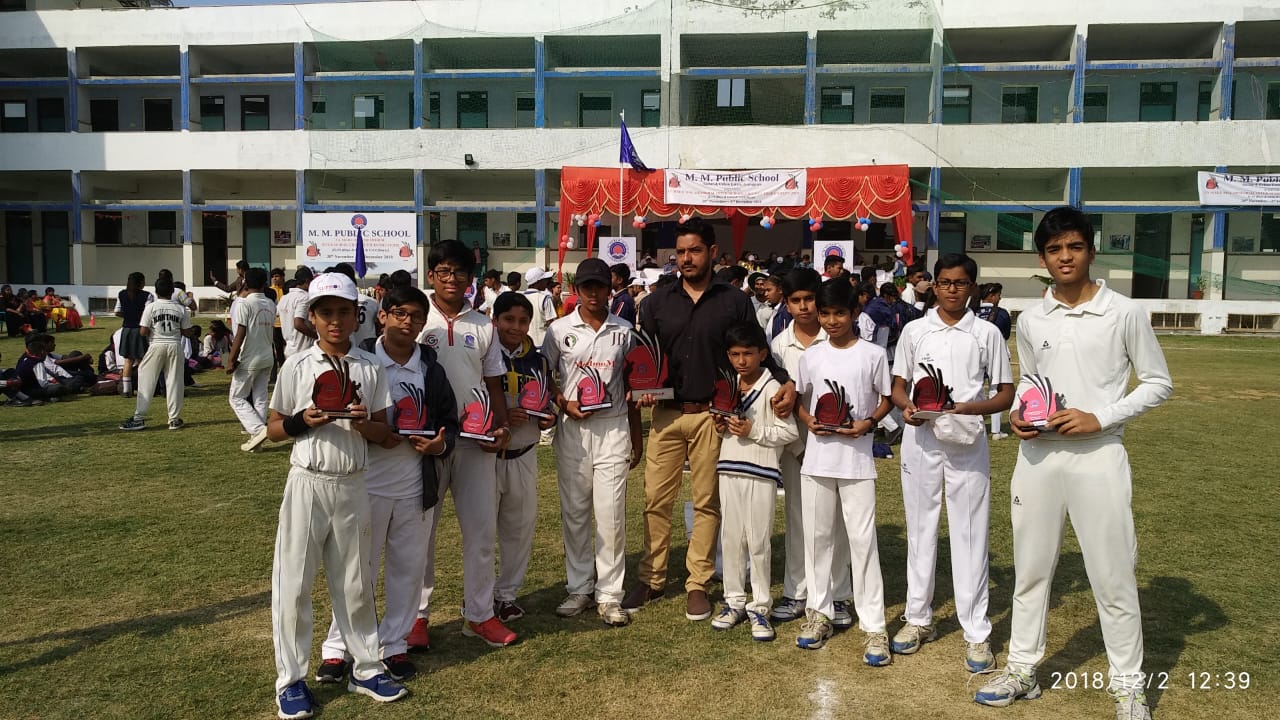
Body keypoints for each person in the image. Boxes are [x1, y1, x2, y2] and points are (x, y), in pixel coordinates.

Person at [974, 208, 1173, 719]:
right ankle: (1022, 667)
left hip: (1098, 457)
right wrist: (1019, 411)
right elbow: (1029, 382)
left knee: (1112, 577)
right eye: (1055, 249)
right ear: (1042, 257)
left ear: (1090, 250)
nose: (1065, 257)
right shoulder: (1033, 317)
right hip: (1037, 458)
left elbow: (1158, 383)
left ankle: (1128, 687)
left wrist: (1099, 417)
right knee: (1031, 571)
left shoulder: (1124, 312)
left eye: (1074, 247)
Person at [624, 217, 796, 622]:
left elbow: (756, 349)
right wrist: (640, 387)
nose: (686, 258)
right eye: (680, 252)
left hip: (712, 417)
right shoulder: (656, 301)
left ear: (712, 253)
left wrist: (786, 382)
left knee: (707, 502)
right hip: (666, 415)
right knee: (655, 500)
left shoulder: (733, 300)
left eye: (694, 251)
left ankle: (697, 583)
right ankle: (652, 577)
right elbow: (643, 358)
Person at [263, 271, 407, 719]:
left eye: (344, 312)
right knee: (294, 583)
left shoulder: (370, 366)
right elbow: (271, 428)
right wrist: (303, 421)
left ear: (356, 315)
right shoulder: (297, 365)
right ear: (313, 316)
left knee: (355, 582)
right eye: (326, 313)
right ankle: (290, 680)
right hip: (308, 479)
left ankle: (365, 666)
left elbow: (386, 433)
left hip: (353, 482)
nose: (335, 321)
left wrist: (364, 424)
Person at [317, 284, 456, 687]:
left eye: (416, 316)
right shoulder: (358, 360)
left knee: (408, 568)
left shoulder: (430, 366)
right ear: (382, 315)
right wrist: (372, 430)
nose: (407, 322)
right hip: (364, 480)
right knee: (355, 568)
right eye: (399, 313)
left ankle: (393, 644)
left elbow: (450, 419)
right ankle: (338, 648)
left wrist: (440, 442)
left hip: (415, 480)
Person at [889, 253, 1014, 674]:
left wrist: (967, 408)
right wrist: (906, 408)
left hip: (966, 442)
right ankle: (918, 619)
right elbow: (899, 385)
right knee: (921, 529)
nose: (951, 289)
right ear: (933, 285)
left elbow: (1005, 393)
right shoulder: (914, 329)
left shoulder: (986, 333)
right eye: (944, 282)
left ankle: (977, 633)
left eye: (960, 283)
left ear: (972, 287)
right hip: (921, 440)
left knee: (969, 534)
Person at [409, 239, 514, 651]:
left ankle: (480, 614)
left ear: (471, 278)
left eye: (460, 272)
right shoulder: (419, 319)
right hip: (427, 441)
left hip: (475, 441)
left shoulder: (483, 324)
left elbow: (493, 381)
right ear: (432, 275)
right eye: (444, 271)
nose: (452, 279)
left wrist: (502, 425)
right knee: (420, 533)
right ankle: (416, 616)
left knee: (481, 531)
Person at [792, 279, 893, 665]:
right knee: (817, 540)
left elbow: (885, 400)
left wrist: (868, 423)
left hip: (857, 462)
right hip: (817, 460)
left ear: (854, 313)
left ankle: (875, 628)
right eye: (825, 313)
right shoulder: (812, 356)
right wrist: (808, 421)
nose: (832, 321)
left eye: (839, 313)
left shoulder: (872, 354)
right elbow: (801, 400)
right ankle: (819, 614)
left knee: (863, 543)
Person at [544, 258, 643, 627]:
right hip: (573, 430)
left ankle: (610, 595)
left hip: (612, 428)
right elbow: (545, 376)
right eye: (586, 286)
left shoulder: (626, 331)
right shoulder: (557, 331)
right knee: (575, 512)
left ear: (609, 288)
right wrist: (562, 402)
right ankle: (580, 588)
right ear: (577, 289)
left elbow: (634, 385)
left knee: (612, 516)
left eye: (599, 286)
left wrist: (636, 436)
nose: (593, 293)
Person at [769, 268, 855, 629]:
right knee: (798, 518)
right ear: (786, 304)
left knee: (836, 522)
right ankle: (796, 590)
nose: (803, 307)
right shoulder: (778, 345)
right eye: (795, 301)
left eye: (809, 299)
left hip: (837, 445)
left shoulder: (838, 336)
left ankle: (838, 595)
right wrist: (796, 446)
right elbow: (779, 399)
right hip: (796, 447)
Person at [711, 322, 798, 641]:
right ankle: (733, 600)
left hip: (761, 472)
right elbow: (724, 429)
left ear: (762, 353)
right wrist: (721, 424)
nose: (741, 361)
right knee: (731, 538)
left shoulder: (774, 386)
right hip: (729, 468)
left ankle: (760, 606)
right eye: (734, 354)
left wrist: (754, 431)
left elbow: (789, 433)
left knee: (758, 541)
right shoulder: (727, 384)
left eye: (748, 353)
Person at [488, 291, 558, 622]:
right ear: (495, 319)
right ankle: (481, 596)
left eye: (522, 321)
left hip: (524, 453)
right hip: (485, 458)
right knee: (483, 531)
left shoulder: (538, 359)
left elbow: (550, 400)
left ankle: (506, 594)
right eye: (508, 320)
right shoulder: (483, 355)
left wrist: (548, 417)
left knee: (519, 529)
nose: (516, 327)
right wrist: (501, 415)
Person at [120, 278, 194, 431]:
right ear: (172, 292)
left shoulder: (151, 307)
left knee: (146, 379)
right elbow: (187, 333)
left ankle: (139, 418)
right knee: (174, 382)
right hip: (175, 345)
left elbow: (143, 331)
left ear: (156, 291)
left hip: (156, 344)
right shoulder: (181, 309)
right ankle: (174, 419)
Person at [227, 268, 278, 452]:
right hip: (267, 356)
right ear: (265, 284)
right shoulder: (271, 303)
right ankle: (257, 442)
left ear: (245, 283)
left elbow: (240, 334)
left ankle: (258, 430)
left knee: (237, 397)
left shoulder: (244, 304)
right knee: (260, 397)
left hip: (249, 357)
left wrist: (231, 359)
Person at [975, 282, 1013, 439]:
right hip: (996, 353)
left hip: (975, 354)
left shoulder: (973, 312)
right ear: (991, 295)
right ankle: (996, 430)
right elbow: (1005, 334)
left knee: (977, 387)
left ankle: (978, 424)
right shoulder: (1002, 313)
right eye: (998, 294)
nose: (1000, 297)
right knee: (995, 388)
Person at [114, 272, 154, 397]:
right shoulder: (147, 295)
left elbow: (117, 311)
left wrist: (128, 315)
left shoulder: (122, 294)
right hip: (140, 328)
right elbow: (148, 313)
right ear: (141, 283)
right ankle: (143, 388)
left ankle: (126, 389)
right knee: (142, 360)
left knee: (128, 360)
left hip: (126, 329)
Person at [279, 267, 317, 359]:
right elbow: (298, 324)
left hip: (289, 349)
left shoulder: (284, 298)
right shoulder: (304, 297)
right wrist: (316, 336)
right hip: (303, 350)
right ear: (308, 281)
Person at [520, 267, 557, 347]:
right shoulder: (545, 298)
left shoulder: (520, 298)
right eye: (544, 280)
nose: (546, 282)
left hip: (524, 343)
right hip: (542, 343)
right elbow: (551, 323)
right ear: (537, 282)